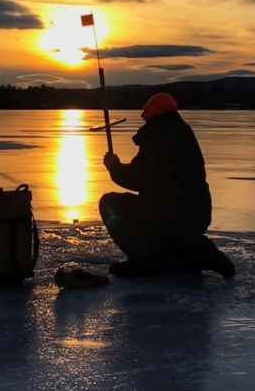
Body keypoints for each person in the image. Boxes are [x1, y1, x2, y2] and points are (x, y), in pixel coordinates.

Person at [100, 92, 235, 278]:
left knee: (109, 203)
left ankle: (143, 259)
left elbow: (136, 178)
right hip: (197, 217)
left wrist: (114, 167)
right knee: (170, 225)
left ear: (151, 114)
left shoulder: (157, 136)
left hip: (166, 216)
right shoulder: (184, 133)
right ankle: (192, 251)